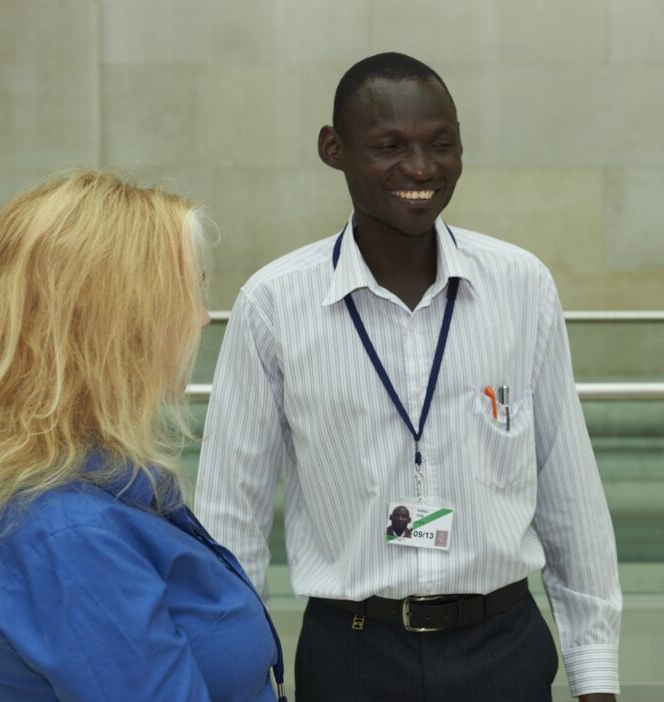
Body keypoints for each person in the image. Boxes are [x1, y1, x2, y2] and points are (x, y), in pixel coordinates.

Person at [195, 52, 621, 701]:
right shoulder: (273, 304)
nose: (421, 169)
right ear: (332, 149)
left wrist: (596, 674)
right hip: (352, 653)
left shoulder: (521, 286)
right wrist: (239, 679)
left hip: (502, 648)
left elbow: (570, 491)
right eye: (389, 146)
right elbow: (232, 516)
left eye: (441, 145)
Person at [0, 171, 286, 701]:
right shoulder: (67, 536)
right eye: (188, 291)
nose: (204, 317)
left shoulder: (91, 477)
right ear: (118, 319)